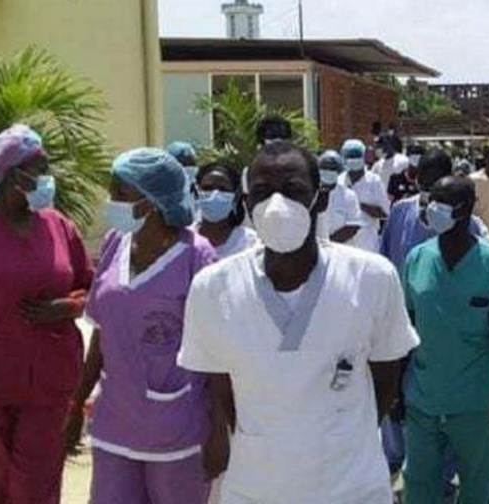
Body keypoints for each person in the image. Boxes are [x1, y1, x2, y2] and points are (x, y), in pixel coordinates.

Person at [178, 141, 419, 504]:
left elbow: (387, 383)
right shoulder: (213, 288)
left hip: (351, 487)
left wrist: (336, 437)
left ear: (320, 199)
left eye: (293, 190)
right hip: (257, 487)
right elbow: (221, 389)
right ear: (247, 204)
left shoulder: (372, 277)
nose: (277, 204)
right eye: (262, 192)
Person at [64, 148, 216, 504]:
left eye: (120, 193)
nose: (111, 201)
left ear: (151, 201)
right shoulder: (115, 243)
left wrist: (220, 428)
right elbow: (101, 333)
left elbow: (217, 352)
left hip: (177, 426)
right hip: (115, 422)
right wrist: (76, 402)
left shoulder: (197, 256)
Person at [401, 176, 489, 504]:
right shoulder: (417, 259)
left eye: (441, 202)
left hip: (476, 402)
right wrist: (397, 388)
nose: (432, 208)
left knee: (478, 486)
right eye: (431, 200)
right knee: (418, 484)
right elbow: (404, 326)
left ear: (466, 208)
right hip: (423, 398)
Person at [0, 124, 94, 504]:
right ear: (12, 174)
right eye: (39, 168)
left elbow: (94, 288)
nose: (48, 177)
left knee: (37, 487)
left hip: (51, 385)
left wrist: (69, 306)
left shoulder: (59, 227)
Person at [378, 149, 487, 491]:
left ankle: (442, 475)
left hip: (448, 329)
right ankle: (395, 461)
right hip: (401, 318)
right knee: (396, 393)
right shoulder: (400, 212)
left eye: (437, 185)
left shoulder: (471, 226)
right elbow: (385, 260)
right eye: (424, 185)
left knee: (443, 402)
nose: (430, 194)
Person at [193, 162, 259, 259]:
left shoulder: (251, 242)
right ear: (197, 192)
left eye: (223, 189)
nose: (215, 194)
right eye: (207, 188)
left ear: (235, 195)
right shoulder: (183, 239)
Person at [340, 139, 390, 253]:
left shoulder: (374, 181)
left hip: (368, 244)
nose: (354, 160)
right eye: (350, 156)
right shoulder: (339, 181)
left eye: (356, 156)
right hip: (344, 246)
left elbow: (384, 213)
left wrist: (358, 203)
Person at [315, 150, 363, 245]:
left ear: (339, 171)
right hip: (315, 248)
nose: (328, 171)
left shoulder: (349, 195)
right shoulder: (312, 193)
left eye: (332, 168)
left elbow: (353, 225)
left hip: (341, 248)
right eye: (325, 168)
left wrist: (328, 242)